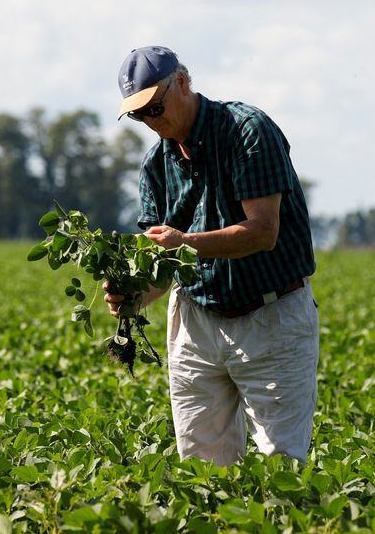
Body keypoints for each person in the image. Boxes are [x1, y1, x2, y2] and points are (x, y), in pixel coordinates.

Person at [105, 45, 319, 466]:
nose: (151, 121)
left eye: (156, 107)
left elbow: (263, 232)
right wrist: (134, 295)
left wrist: (184, 242)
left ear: (182, 83)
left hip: (270, 316)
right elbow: (162, 265)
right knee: (202, 469)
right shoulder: (155, 165)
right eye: (139, 115)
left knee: (282, 466)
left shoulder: (247, 131)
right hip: (195, 321)